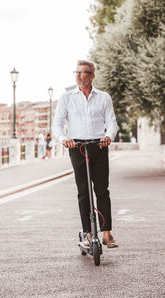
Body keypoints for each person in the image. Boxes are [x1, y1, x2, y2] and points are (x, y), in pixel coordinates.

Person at [52, 60, 119, 248]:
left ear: (92, 75)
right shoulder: (67, 97)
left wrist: (108, 136)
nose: (78, 75)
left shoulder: (104, 97)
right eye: (77, 72)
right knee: (83, 191)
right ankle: (88, 233)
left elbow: (111, 122)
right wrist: (63, 139)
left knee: (102, 190)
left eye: (83, 72)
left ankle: (107, 233)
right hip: (77, 147)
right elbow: (57, 123)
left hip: (99, 145)